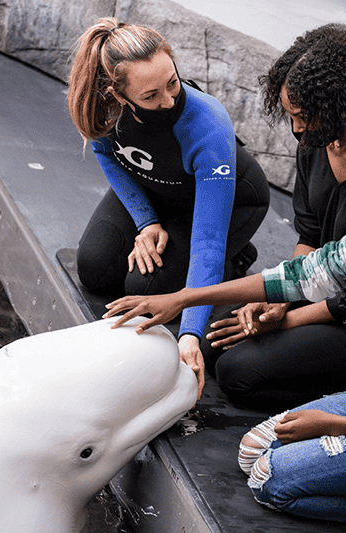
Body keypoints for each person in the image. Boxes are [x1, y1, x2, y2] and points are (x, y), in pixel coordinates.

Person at [104, 108, 346, 532]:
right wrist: (183, 298)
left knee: (269, 480)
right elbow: (295, 277)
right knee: (251, 449)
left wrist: (331, 424)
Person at [67, 18, 270, 398]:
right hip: (158, 189)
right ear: (118, 94)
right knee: (95, 268)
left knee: (144, 288)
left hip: (228, 201)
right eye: (151, 96)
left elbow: (207, 238)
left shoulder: (206, 125)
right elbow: (110, 157)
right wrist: (146, 222)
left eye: (172, 83)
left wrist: (190, 333)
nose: (169, 100)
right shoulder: (102, 107)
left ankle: (237, 257)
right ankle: (171, 238)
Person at [200, 24, 346, 411]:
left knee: (237, 372)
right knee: (211, 340)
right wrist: (277, 301)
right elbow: (309, 237)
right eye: (291, 115)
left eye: (305, 115)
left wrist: (287, 318)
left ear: (343, 103)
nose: (297, 128)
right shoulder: (314, 145)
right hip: (316, 284)